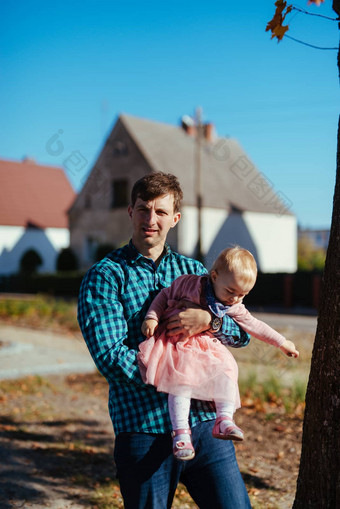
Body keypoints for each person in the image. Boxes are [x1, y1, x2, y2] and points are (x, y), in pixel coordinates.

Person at [77, 172, 252, 509]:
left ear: (175, 218)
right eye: (143, 209)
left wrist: (210, 321)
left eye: (160, 212)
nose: (150, 219)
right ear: (130, 211)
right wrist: (178, 378)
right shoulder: (105, 276)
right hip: (143, 428)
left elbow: (242, 333)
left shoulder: (197, 273)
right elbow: (110, 357)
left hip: (204, 425)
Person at [139, 246, 299, 461]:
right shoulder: (188, 283)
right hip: (179, 344)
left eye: (242, 295)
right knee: (180, 384)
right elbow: (164, 295)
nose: (234, 299)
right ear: (214, 276)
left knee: (227, 370)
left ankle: (224, 419)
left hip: (207, 348)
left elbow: (253, 326)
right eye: (231, 292)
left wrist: (282, 342)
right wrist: (152, 317)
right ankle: (181, 433)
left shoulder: (233, 305)